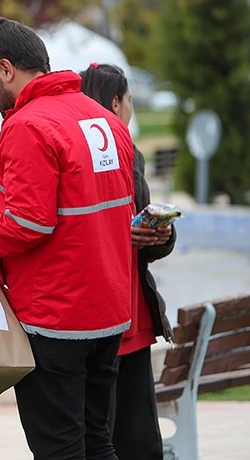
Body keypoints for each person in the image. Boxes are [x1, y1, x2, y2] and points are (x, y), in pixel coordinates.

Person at [0, 17, 136, 460]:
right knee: (99, 441)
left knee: (60, 449)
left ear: (5, 69)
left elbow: (29, 223)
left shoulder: (26, 126)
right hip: (110, 312)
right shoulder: (105, 119)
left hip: (55, 317)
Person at [80, 62, 176, 460]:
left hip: (132, 314)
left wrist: (160, 234)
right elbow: (83, 231)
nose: (130, 109)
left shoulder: (130, 153)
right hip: (105, 317)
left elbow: (136, 219)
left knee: (136, 437)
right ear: (117, 102)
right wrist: (125, 235)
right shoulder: (95, 152)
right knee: (111, 434)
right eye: (131, 100)